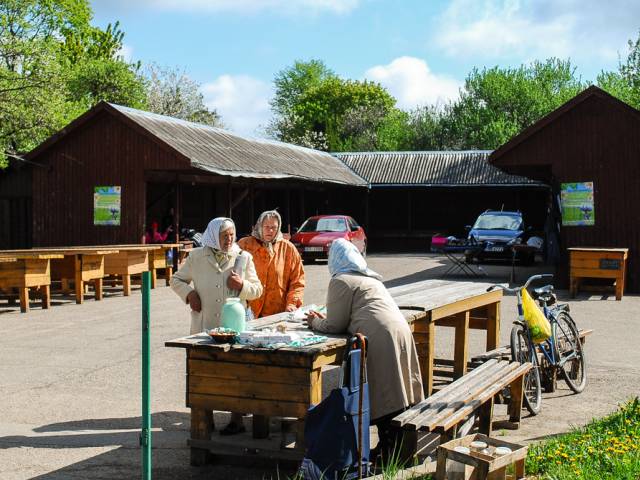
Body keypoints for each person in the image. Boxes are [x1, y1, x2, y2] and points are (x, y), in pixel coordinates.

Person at [306, 238, 424, 456]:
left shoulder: (341, 280)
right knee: (399, 390)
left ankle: (390, 449)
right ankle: (396, 446)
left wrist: (314, 322)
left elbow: (335, 324)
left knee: (384, 391)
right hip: (399, 332)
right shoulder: (369, 278)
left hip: (379, 336)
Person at [170, 217, 263, 435]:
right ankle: (206, 419)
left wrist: (242, 286)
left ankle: (237, 420)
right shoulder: (196, 257)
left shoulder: (243, 257)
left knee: (235, 374)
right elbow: (177, 280)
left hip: (234, 327)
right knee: (206, 374)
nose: (229, 239)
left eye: (232, 234)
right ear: (213, 236)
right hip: (205, 326)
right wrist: (189, 294)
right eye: (224, 235)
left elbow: (258, 289)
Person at [237, 210, 305, 318]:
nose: (270, 230)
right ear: (259, 226)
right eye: (266, 226)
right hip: (247, 311)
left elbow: (297, 281)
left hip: (277, 313)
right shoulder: (244, 245)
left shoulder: (288, 249)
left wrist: (292, 303)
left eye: (274, 227)